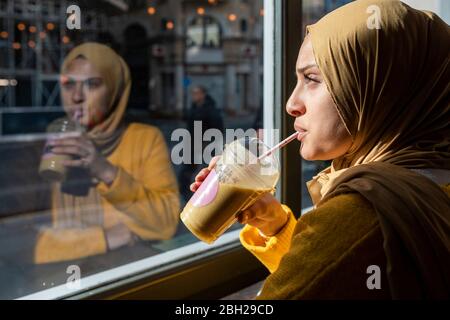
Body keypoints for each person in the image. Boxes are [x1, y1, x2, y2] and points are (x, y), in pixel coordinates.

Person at [191, 0, 450, 299]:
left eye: (311, 79)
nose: (291, 104)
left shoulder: (362, 211)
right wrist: (277, 227)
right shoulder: (432, 178)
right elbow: (342, 279)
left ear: (379, 88)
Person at [34, 42, 180, 264]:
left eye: (92, 85)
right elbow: (26, 241)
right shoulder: (52, 141)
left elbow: (165, 224)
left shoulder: (144, 139)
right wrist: (105, 237)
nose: (76, 97)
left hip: (126, 276)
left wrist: (106, 171)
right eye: (68, 84)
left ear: (114, 90)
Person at [180, 85, 224, 201]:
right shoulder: (194, 107)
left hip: (207, 145)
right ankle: (186, 195)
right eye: (193, 93)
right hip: (193, 143)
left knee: (207, 172)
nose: (194, 96)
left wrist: (209, 143)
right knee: (187, 171)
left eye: (197, 93)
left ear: (203, 94)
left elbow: (218, 129)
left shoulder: (211, 109)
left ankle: (209, 196)